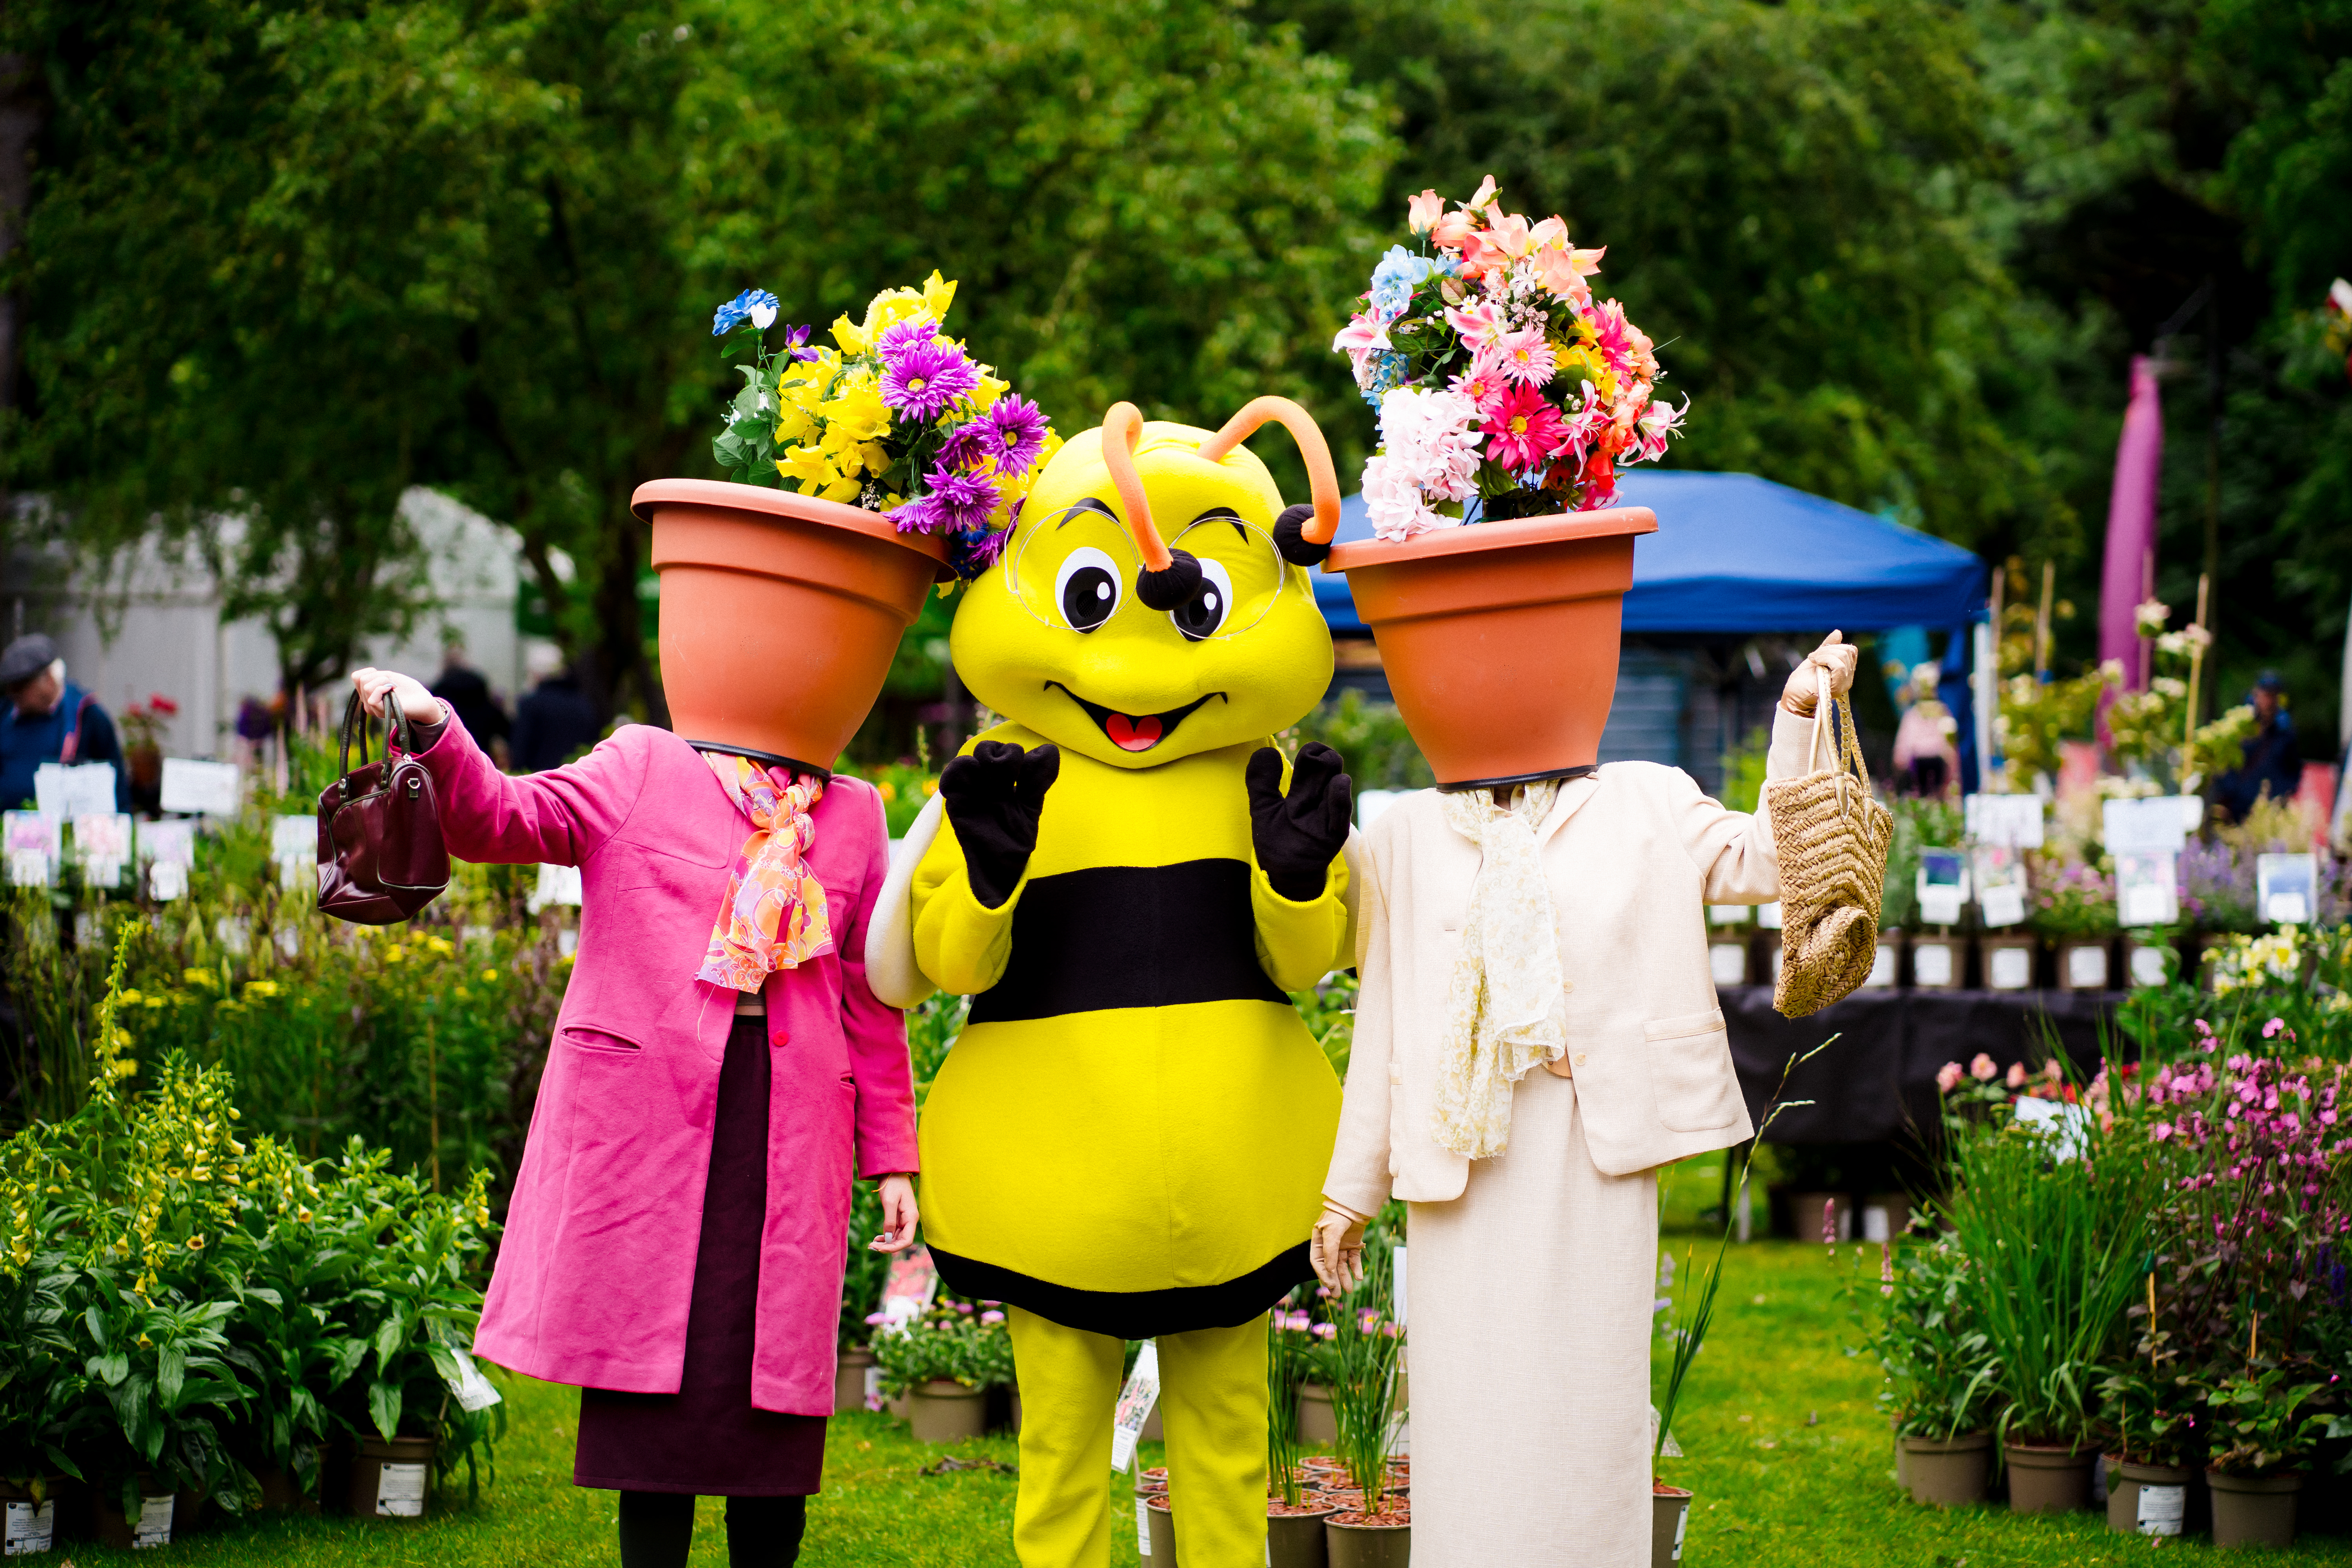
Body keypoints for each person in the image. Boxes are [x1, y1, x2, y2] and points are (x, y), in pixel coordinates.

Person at [348, 664, 921, 1568]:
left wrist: (892, 1157)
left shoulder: (853, 813)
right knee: (653, 1420)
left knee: (774, 1424)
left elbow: (869, 999)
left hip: (789, 1137)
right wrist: (432, 723)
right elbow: (501, 818)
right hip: (651, 1137)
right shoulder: (644, 764)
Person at [1312, 631, 1859, 1568]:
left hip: (1592, 1145)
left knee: (1587, 1399)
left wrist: (1801, 711)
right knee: (1468, 1412)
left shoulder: (1647, 798)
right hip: (1460, 1161)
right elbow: (1386, 1012)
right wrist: (1349, 1189)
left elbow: (1768, 858)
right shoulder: (1404, 832)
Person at [0, 633, 131, 811]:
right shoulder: (5, 713)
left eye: (21, 687)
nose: (13, 694)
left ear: (49, 679)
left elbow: (117, 786)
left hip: (67, 825)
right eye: (10, 687)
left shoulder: (88, 716)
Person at [2216, 671, 2301, 821]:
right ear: (2256, 695)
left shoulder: (2285, 732)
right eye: (2266, 695)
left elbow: (2294, 769)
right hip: (2238, 809)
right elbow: (2225, 766)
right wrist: (2230, 794)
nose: (2270, 701)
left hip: (2271, 811)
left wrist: (2283, 796)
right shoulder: (2240, 727)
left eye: (2273, 696)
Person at [511, 642, 602, 773]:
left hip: (541, 781)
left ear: (535, 673)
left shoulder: (531, 705)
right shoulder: (583, 703)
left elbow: (520, 753)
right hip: (577, 779)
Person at [428, 643, 510, 754]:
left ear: (445, 666)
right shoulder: (480, 692)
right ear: (465, 665)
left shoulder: (438, 695)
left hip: (447, 757)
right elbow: (506, 729)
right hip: (479, 757)